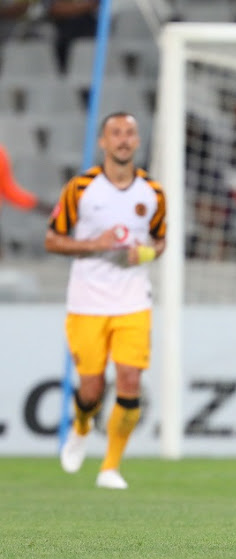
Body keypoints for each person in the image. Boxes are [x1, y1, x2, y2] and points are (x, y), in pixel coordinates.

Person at [45, 112, 167, 490]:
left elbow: (160, 241)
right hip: (87, 303)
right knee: (92, 388)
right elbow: (52, 239)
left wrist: (142, 255)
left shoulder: (152, 192)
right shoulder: (81, 189)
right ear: (103, 141)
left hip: (133, 300)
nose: (123, 139)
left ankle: (110, 467)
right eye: (115, 133)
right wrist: (95, 245)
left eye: (130, 133)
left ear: (137, 141)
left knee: (130, 380)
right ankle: (81, 426)